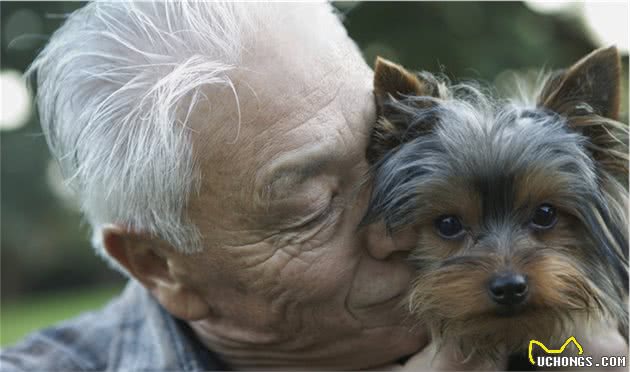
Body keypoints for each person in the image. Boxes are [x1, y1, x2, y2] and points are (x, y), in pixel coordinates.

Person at [0, 2, 626, 371]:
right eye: (314, 206)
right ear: (159, 264)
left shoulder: (578, 345)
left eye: (381, 167)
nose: (392, 231)